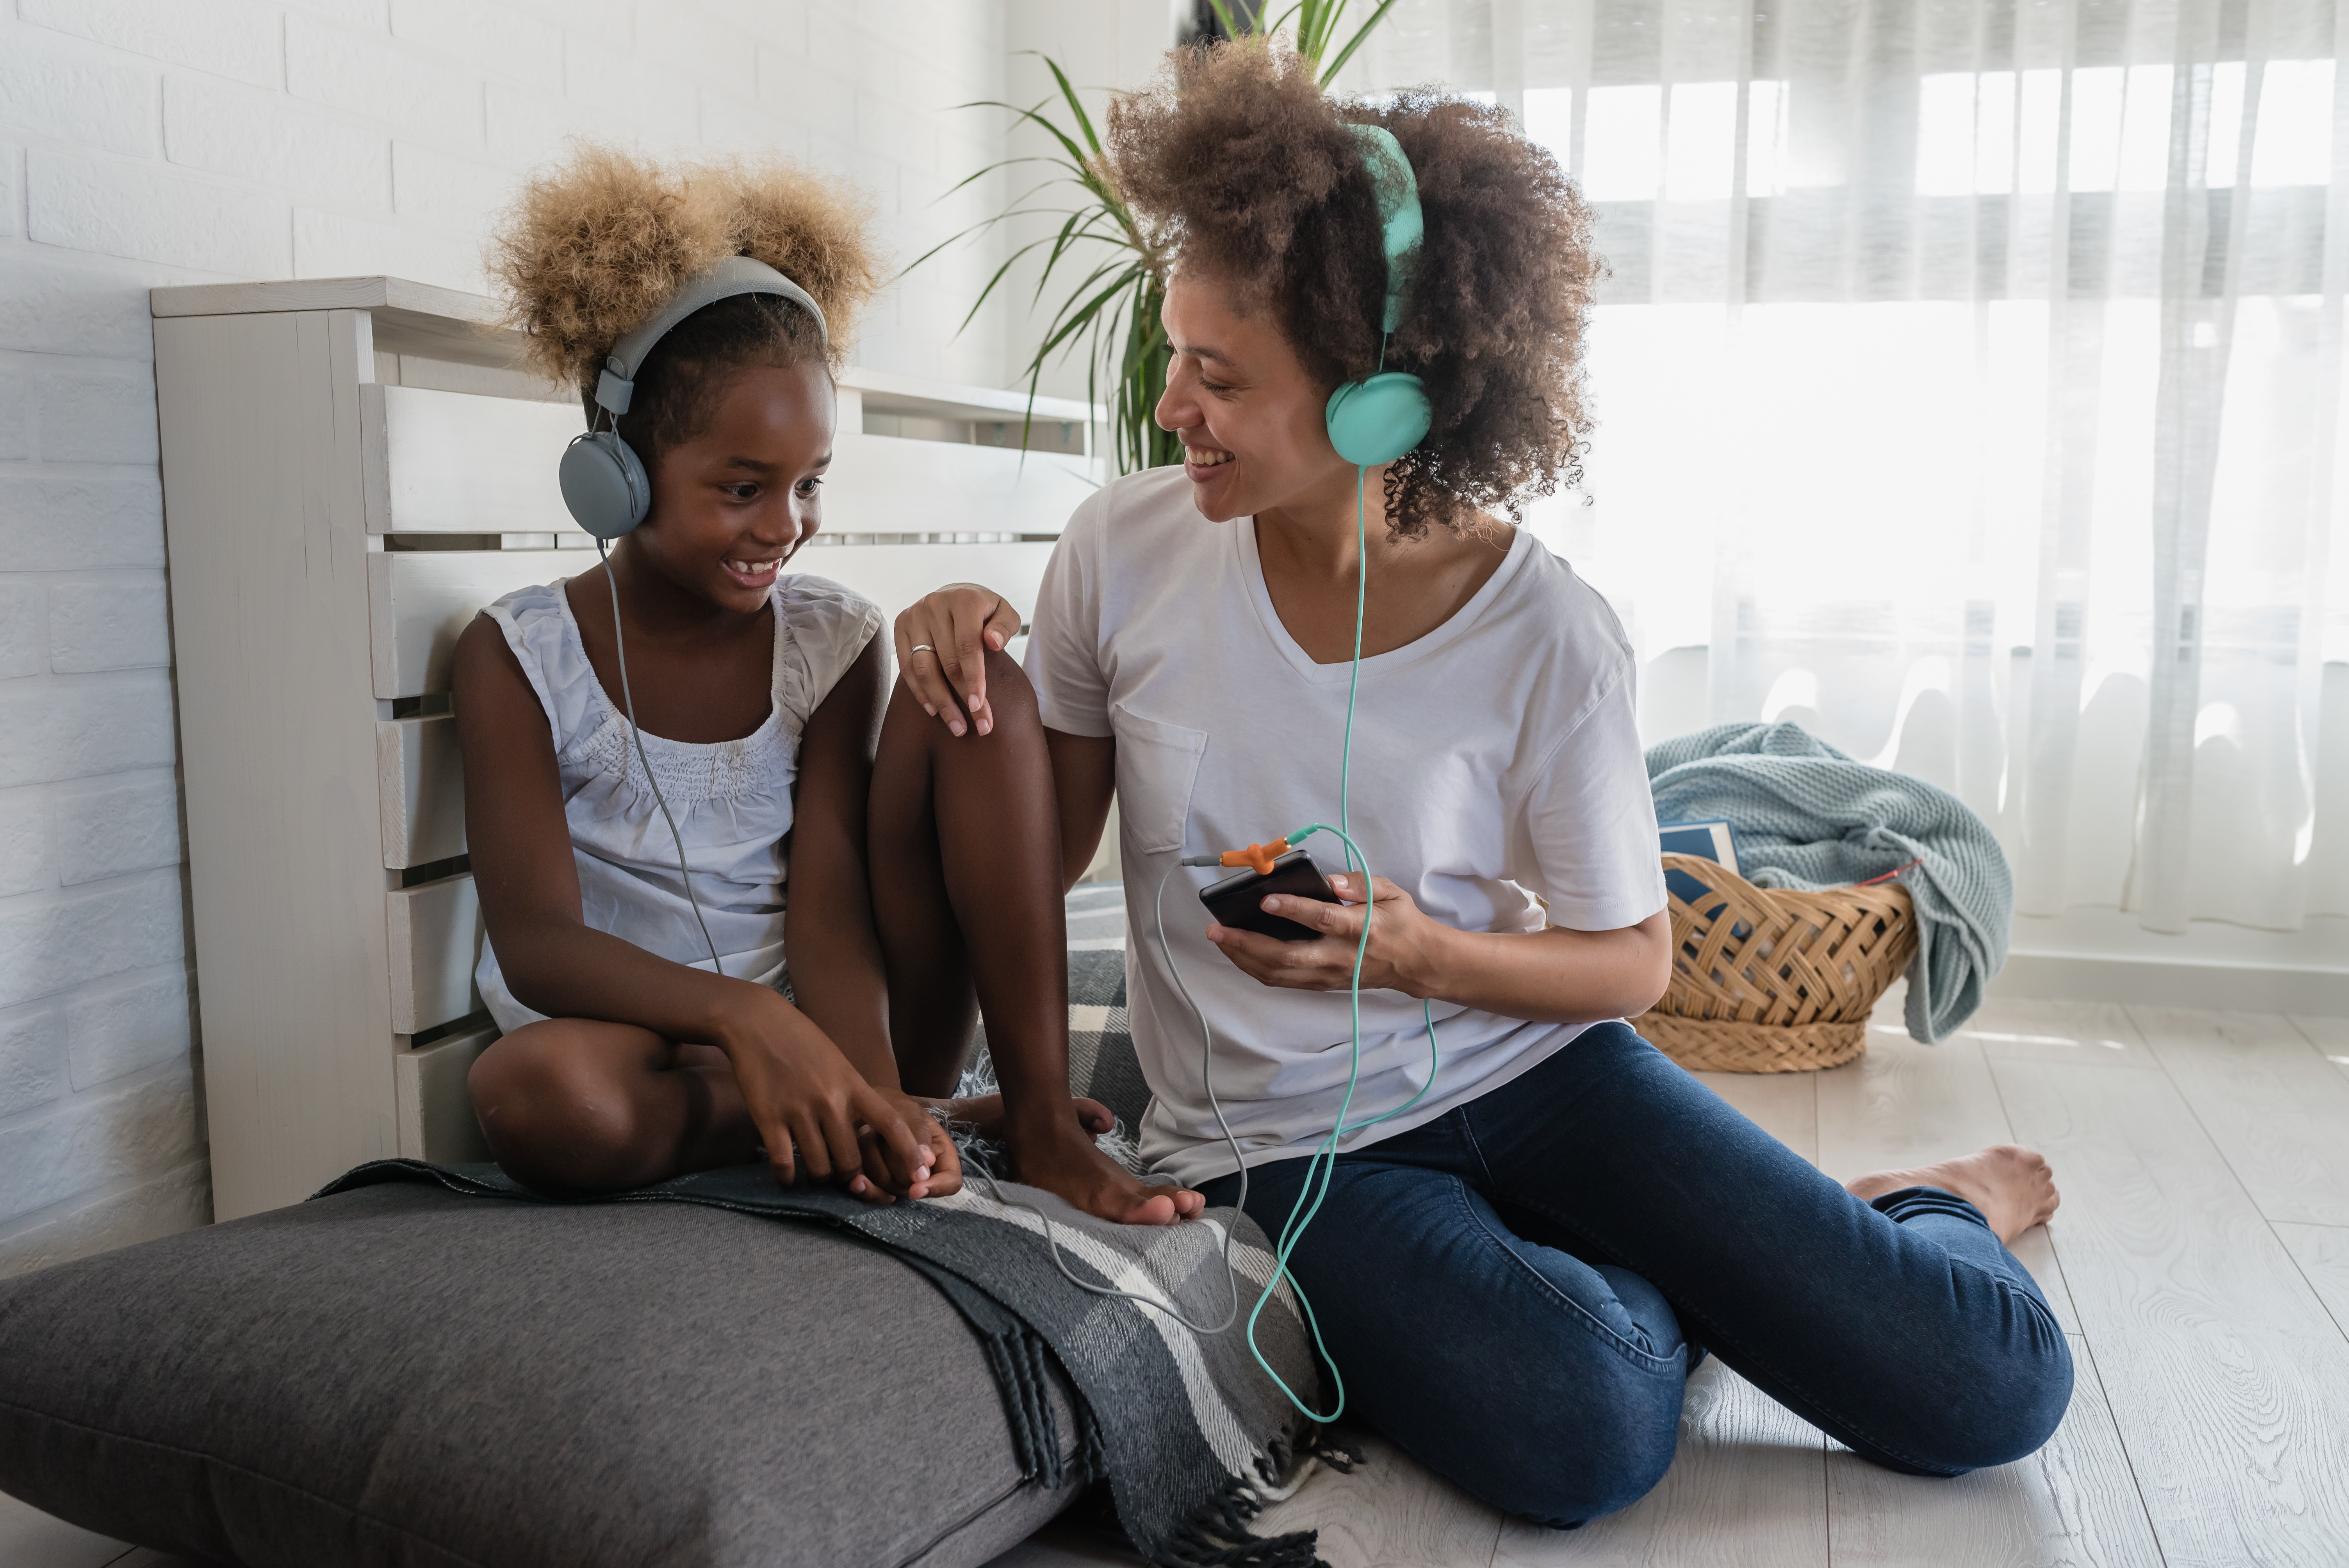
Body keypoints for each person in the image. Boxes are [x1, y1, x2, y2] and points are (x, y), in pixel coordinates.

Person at [893, 45, 2073, 1527]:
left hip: (1544, 1075)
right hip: (1288, 1146)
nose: (1172, 403)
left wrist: (1420, 954)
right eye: (1172, 352)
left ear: (1382, 401)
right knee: (1581, 1430)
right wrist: (965, 653)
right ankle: (1744, 1265)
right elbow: (1044, 844)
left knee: (1990, 1387)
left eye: (1221, 374)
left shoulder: (1548, 633)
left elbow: (1634, 962)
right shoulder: (1121, 552)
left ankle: (1926, 1211)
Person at [456, 148, 1190, 1226]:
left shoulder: (829, 640)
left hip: (843, 1015)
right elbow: (538, 945)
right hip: (640, 1041)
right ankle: (877, 1108)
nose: (783, 528)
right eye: (742, 489)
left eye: (808, 486)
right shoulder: (516, 655)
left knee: (976, 683)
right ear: (615, 472)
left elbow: (832, 899)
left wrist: (853, 1061)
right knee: (536, 1096)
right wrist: (752, 1027)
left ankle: (981, 1114)